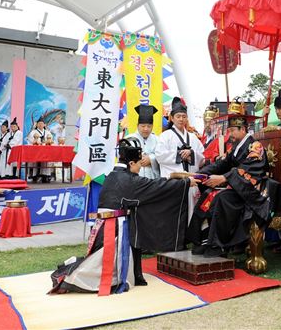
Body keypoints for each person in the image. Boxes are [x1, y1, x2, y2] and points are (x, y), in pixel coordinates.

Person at [49, 138, 196, 293]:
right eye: (140, 164)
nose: (140, 168)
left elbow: (149, 184)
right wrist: (184, 183)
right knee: (104, 270)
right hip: (114, 230)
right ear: (131, 164)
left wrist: (172, 178)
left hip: (108, 227)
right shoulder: (128, 179)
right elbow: (154, 187)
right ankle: (71, 276)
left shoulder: (114, 174)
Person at [187, 114, 269, 258]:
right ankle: (203, 239)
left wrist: (224, 177)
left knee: (221, 199)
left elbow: (249, 169)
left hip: (251, 191)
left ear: (243, 129)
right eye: (229, 131)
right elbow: (220, 164)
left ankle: (219, 245)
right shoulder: (234, 148)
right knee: (208, 195)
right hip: (236, 187)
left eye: (232, 131)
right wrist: (198, 175)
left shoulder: (255, 146)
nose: (229, 134)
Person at [156, 97, 204, 222]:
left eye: (184, 116)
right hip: (174, 182)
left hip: (191, 181)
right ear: (171, 118)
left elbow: (202, 155)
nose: (181, 119)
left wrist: (192, 154)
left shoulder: (192, 137)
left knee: (192, 208)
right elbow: (159, 155)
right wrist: (179, 155)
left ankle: (190, 235)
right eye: (178, 116)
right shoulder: (165, 136)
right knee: (174, 210)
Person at [126, 104, 160, 179]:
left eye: (149, 126)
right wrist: (137, 159)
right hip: (133, 178)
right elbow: (121, 156)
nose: (146, 129)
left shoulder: (158, 140)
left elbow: (163, 156)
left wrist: (151, 159)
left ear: (152, 126)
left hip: (152, 178)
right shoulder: (128, 139)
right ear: (137, 125)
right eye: (143, 126)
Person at [27, 116, 52, 182]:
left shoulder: (47, 132)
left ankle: (45, 176)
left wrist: (46, 142)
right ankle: (34, 176)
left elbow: (50, 140)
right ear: (37, 124)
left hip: (45, 150)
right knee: (34, 162)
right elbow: (31, 140)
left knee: (45, 162)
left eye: (42, 123)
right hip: (35, 150)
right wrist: (37, 142)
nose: (40, 125)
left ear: (44, 125)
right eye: (39, 123)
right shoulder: (33, 132)